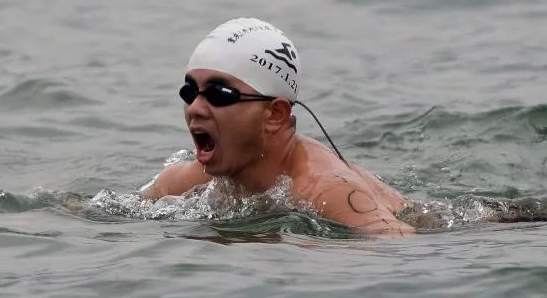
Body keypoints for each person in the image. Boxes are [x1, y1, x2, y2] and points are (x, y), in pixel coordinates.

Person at [142, 18, 414, 236]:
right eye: (190, 92)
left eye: (219, 94)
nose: (195, 108)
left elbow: (402, 254)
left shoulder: (328, 193)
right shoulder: (178, 185)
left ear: (275, 115)